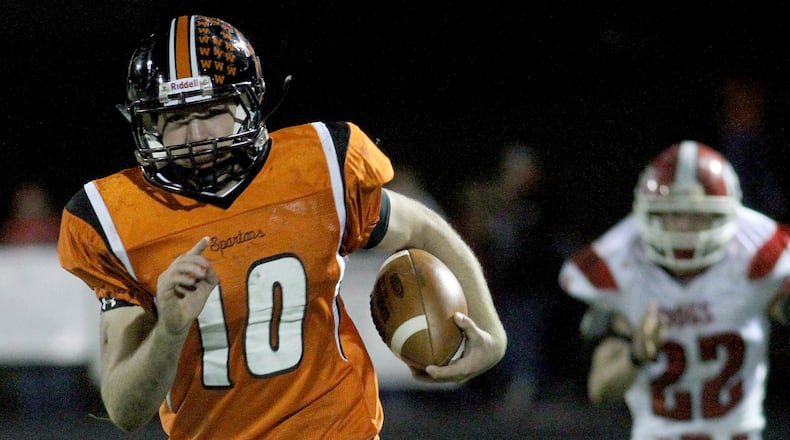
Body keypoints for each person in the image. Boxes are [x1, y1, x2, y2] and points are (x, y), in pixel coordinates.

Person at [56, 14, 506, 439]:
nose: (194, 136)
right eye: (174, 118)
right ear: (146, 123)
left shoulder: (319, 167)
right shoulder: (114, 218)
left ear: (247, 103)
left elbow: (423, 227)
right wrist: (169, 328)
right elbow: (125, 410)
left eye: (211, 109)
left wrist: (492, 332)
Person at [558, 140, 790, 439]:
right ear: (648, 213)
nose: (683, 227)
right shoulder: (620, 267)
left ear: (728, 214)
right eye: (673, 213)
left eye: (697, 215)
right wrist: (636, 355)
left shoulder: (757, 256)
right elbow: (601, 390)